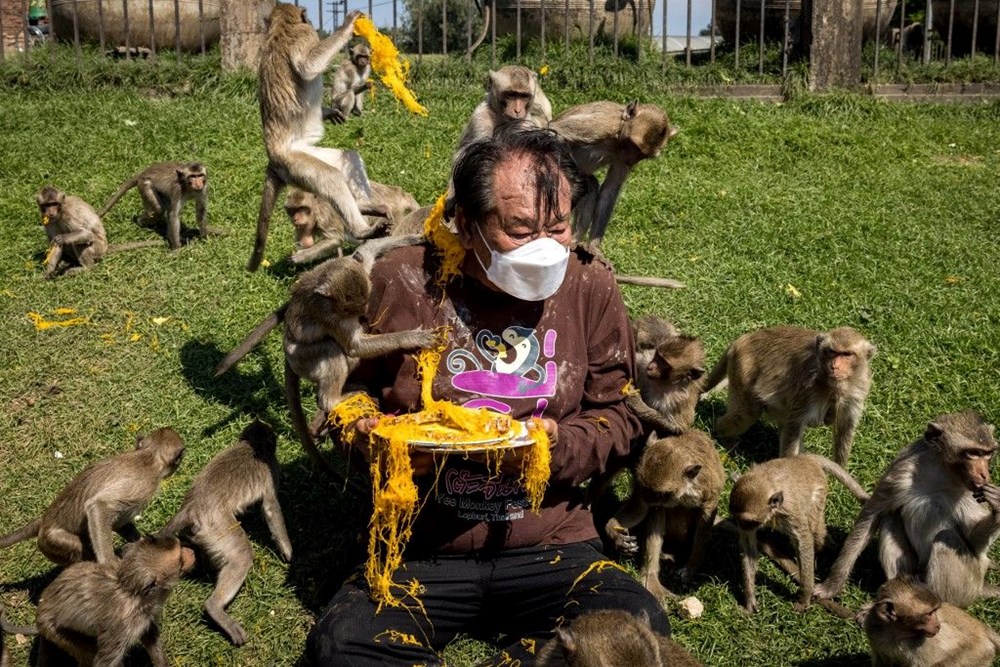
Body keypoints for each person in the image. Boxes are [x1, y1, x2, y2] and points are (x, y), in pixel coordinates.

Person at [308, 125, 669, 665]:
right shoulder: (402, 279)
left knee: (635, 632)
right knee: (344, 649)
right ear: (467, 224)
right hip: (422, 546)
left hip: (552, 544)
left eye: (559, 226)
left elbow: (619, 414)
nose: (545, 249)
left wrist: (554, 446)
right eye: (520, 230)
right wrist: (365, 435)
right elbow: (351, 395)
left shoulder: (590, 285)